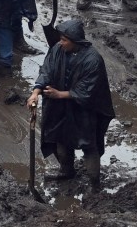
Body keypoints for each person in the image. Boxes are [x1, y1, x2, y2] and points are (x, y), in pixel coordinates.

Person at [30, 16, 114, 190]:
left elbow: (88, 91)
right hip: (60, 107)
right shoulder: (57, 50)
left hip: (84, 110)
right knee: (61, 139)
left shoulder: (93, 60)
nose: (60, 43)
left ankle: (94, 184)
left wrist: (59, 94)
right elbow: (47, 70)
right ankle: (66, 170)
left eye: (64, 40)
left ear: (75, 41)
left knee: (88, 145)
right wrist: (36, 92)